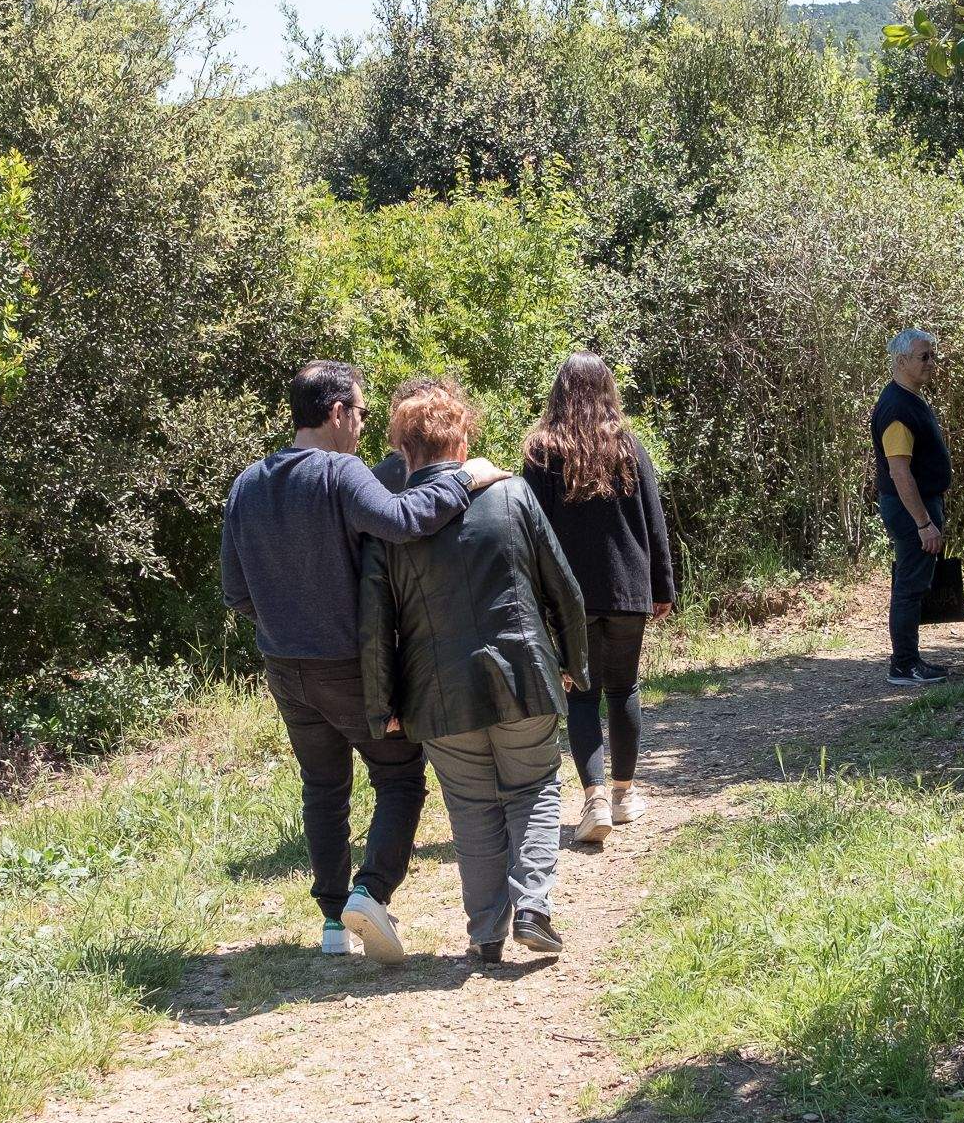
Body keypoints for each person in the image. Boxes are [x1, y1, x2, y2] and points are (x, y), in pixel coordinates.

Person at [221, 361, 509, 962]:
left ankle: (332, 924)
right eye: (359, 413)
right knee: (400, 777)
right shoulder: (338, 472)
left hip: (284, 666)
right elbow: (404, 521)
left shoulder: (248, 483)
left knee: (323, 788)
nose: (362, 427)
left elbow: (237, 592)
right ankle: (370, 892)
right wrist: (465, 478)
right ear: (335, 413)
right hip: (350, 665)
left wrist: (285, 623)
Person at [359, 378, 590, 964]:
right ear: (462, 442)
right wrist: (573, 664)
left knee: (471, 808)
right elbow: (564, 590)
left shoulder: (388, 524)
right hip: (523, 676)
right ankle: (533, 906)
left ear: (404, 451)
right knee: (534, 788)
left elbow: (375, 626)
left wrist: (382, 706)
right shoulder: (513, 497)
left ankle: (485, 932)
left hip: (436, 695)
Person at [521, 353, 677, 845]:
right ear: (608, 389)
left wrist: (535, 595)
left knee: (581, 694)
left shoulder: (542, 452)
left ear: (559, 393)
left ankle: (594, 800)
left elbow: (530, 532)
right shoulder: (629, 446)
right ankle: (624, 794)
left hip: (572, 597)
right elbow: (654, 521)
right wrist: (662, 586)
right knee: (624, 689)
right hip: (629, 587)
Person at [870, 328, 953, 686]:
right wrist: (923, 523)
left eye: (933, 355)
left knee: (915, 582)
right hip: (910, 511)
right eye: (924, 357)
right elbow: (899, 471)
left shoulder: (908, 398)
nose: (931, 363)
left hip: (919, 506)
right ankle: (904, 665)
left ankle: (910, 660)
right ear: (901, 361)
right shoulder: (897, 409)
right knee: (909, 585)